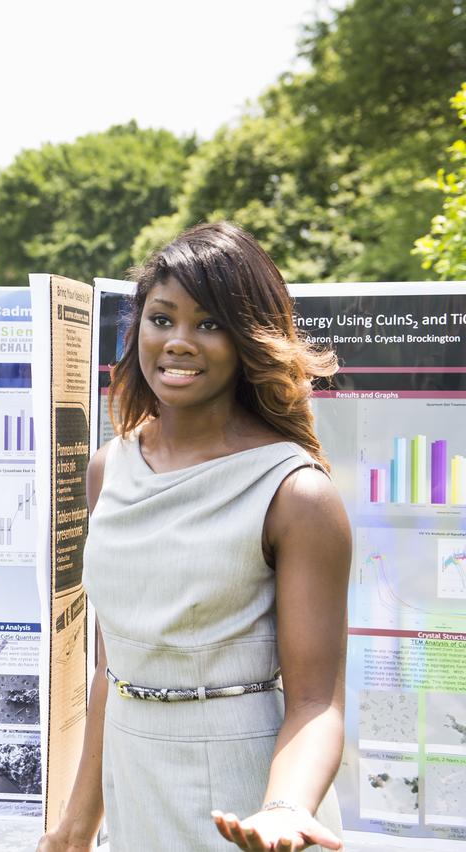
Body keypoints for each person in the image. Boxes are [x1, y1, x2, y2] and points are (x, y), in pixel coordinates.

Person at [38, 223, 350, 852]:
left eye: (209, 324)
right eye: (162, 318)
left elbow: (316, 701)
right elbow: (111, 670)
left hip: (249, 800)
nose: (179, 342)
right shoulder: (108, 470)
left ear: (249, 341)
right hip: (133, 780)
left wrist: (285, 807)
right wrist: (76, 826)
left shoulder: (296, 492)